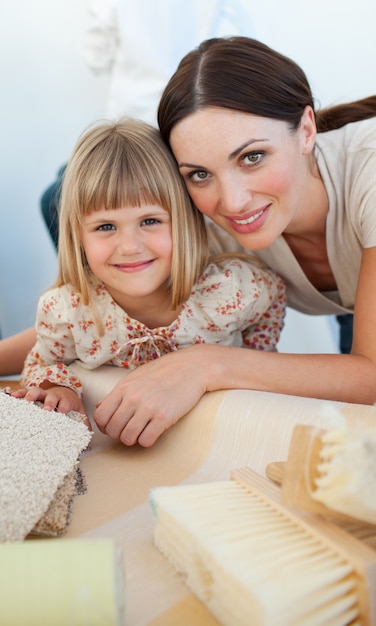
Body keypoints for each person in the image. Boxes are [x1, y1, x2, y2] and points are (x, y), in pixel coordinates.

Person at [77, 35, 376, 447]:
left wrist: (208, 365)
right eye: (200, 173)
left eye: (252, 157)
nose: (233, 202)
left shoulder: (370, 172)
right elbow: (87, 311)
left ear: (306, 130)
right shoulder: (211, 218)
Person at [12, 118, 286, 442]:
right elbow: (41, 363)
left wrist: (257, 357)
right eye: (105, 227)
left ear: (184, 221)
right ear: (77, 237)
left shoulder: (229, 291)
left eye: (150, 221)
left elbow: (274, 296)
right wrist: (58, 389)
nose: (129, 246)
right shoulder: (67, 311)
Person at [40, 0, 255, 249]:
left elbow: (96, 58)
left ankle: (92, 281)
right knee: (62, 179)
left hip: (134, 130)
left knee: (54, 198)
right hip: (185, 123)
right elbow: (235, 46)